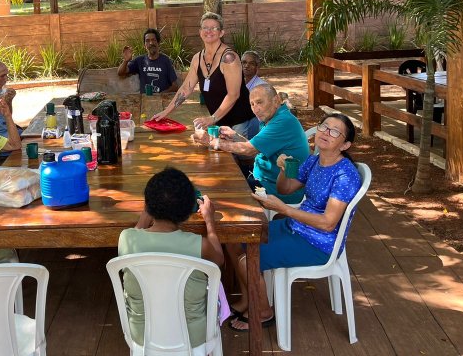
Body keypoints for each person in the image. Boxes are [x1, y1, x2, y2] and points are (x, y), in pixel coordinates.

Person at [227, 114, 363, 331]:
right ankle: (247, 299)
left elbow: (328, 223)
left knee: (247, 260)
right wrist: (283, 170)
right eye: (324, 126)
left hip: (318, 243)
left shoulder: (345, 175)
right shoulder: (314, 160)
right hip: (295, 227)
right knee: (235, 239)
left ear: (345, 144)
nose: (326, 133)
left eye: (334, 131)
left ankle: (263, 312)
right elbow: (286, 189)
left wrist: (283, 209)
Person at [118, 167, 224, 348]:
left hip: (142, 334)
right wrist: (209, 221)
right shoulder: (199, 245)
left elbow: (137, 231)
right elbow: (219, 259)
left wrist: (146, 212)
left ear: (148, 206)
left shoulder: (127, 239)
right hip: (193, 336)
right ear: (186, 211)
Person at [193, 84, 307, 203]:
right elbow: (256, 147)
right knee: (221, 177)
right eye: (252, 104)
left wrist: (210, 140)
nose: (255, 109)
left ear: (276, 100)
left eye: (259, 102)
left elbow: (249, 150)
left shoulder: (282, 122)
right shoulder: (272, 117)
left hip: (278, 190)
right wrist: (235, 136)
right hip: (263, 179)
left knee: (221, 188)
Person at [153, 12, 257, 138]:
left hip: (240, 121)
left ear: (221, 33)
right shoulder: (197, 58)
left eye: (214, 28)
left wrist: (212, 118)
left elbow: (233, 94)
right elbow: (186, 88)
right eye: (205, 27)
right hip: (219, 120)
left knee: (238, 156)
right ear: (200, 31)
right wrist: (166, 112)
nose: (209, 31)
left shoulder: (229, 58)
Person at [117, 28, 179, 94]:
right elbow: (120, 73)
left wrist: (160, 96)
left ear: (158, 43)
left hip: (162, 101)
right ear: (144, 45)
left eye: (153, 40)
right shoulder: (139, 60)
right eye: (147, 41)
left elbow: (175, 86)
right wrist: (126, 61)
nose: (151, 43)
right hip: (145, 101)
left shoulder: (165, 60)